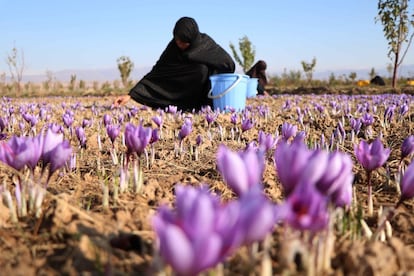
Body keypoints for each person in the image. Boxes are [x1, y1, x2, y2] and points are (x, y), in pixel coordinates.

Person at [114, 16, 235, 111]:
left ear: (192, 39)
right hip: (177, 93)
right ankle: (178, 106)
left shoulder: (205, 44)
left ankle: (200, 107)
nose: (179, 44)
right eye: (177, 40)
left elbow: (228, 63)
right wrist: (131, 95)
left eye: (183, 42)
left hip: (203, 97)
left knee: (201, 70)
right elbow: (158, 72)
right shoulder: (173, 48)